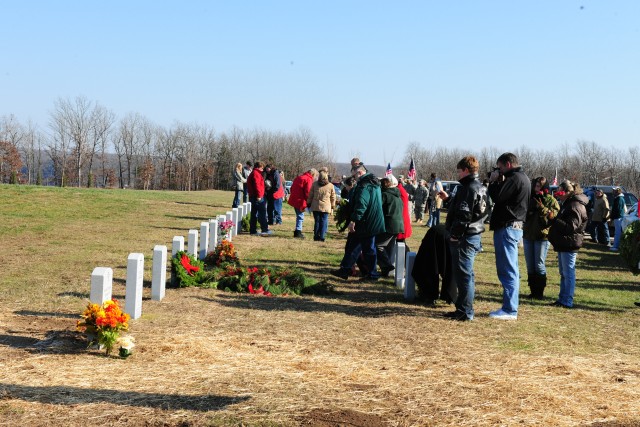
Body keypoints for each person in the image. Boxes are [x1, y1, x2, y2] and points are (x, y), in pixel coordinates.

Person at [439, 156, 488, 321]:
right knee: (466, 274)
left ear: (466, 170)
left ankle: (465, 311)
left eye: (459, 171)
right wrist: (449, 200)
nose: (458, 174)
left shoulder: (468, 188)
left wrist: (455, 235)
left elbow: (464, 214)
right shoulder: (480, 187)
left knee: (464, 275)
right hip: (474, 234)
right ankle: (463, 308)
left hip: (465, 237)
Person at [487, 152, 530, 320]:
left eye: (500, 167)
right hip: (514, 226)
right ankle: (509, 307)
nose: (499, 171)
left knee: (508, 269)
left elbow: (497, 196)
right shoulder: (523, 177)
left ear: (508, 165)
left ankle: (510, 309)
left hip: (508, 227)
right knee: (511, 268)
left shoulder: (514, 178)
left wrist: (493, 182)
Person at [331, 163, 385, 281]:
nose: (353, 178)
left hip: (366, 222)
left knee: (368, 249)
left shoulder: (364, 186)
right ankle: (345, 270)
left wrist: (353, 220)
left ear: (359, 173)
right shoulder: (374, 183)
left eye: (354, 175)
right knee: (354, 246)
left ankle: (372, 274)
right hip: (370, 220)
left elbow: (362, 205)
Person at [547, 180, 588, 308]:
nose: (558, 194)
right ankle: (562, 299)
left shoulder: (575, 205)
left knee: (569, 273)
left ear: (568, 192)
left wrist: (554, 220)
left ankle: (567, 301)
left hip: (570, 243)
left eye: (560, 191)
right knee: (564, 272)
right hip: (564, 242)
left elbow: (571, 227)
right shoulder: (568, 204)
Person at [522, 177, 560, 299]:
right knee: (530, 265)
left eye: (539, 186)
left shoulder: (551, 200)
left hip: (542, 236)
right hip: (528, 235)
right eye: (535, 185)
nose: (536, 188)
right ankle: (533, 291)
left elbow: (552, 218)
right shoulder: (529, 198)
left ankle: (539, 293)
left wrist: (541, 208)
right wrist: (529, 210)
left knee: (539, 264)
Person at [376, 175, 404, 276]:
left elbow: (379, 209)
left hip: (389, 224)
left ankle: (387, 266)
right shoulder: (398, 196)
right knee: (388, 248)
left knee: (377, 245)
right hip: (398, 225)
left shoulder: (385, 195)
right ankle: (386, 271)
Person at [288, 168, 318, 239]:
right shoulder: (308, 179)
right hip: (300, 200)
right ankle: (298, 232)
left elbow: (291, 188)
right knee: (300, 216)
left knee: (299, 215)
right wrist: (309, 201)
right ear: (313, 174)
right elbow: (307, 192)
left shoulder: (299, 177)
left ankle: (297, 231)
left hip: (294, 199)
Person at [307, 169, 336, 241]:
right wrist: (333, 206)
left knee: (317, 221)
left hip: (316, 206)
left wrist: (308, 203)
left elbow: (310, 195)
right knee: (323, 221)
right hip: (326, 206)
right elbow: (333, 197)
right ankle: (322, 236)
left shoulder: (315, 184)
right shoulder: (330, 186)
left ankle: (316, 236)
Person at [246, 161, 271, 236]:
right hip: (257, 197)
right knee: (262, 213)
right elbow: (257, 185)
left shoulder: (254, 173)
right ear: (259, 167)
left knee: (254, 214)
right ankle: (264, 230)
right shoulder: (256, 173)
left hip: (254, 196)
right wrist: (259, 196)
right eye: (262, 168)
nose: (263, 169)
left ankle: (253, 230)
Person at [609, 187, 626, 251]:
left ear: (617, 191)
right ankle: (617, 245)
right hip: (618, 217)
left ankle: (616, 246)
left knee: (617, 232)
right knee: (618, 232)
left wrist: (612, 217)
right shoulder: (618, 198)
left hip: (618, 217)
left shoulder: (619, 199)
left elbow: (617, 210)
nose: (613, 192)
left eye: (614, 190)